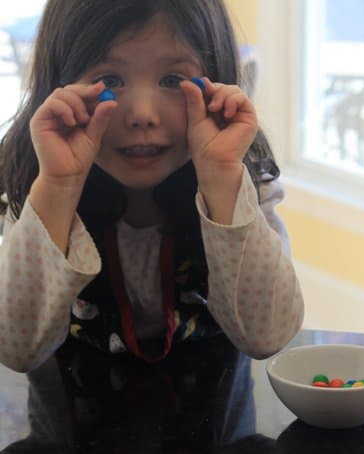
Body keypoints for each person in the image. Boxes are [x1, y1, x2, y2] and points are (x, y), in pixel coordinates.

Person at [0, 0, 304, 372]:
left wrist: (221, 179)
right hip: (71, 412)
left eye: (173, 81)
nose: (143, 114)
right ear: (57, 88)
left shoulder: (243, 178)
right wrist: (59, 187)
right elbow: (17, 349)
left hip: (215, 413)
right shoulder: (37, 179)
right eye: (110, 80)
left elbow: (267, 337)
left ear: (218, 85)